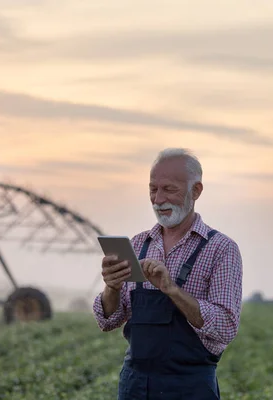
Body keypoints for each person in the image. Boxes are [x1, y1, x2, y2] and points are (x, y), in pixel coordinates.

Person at [92, 148, 243, 399]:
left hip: (190, 386)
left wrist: (171, 289)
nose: (158, 199)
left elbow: (226, 326)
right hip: (135, 385)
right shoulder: (138, 245)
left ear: (196, 191)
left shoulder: (221, 249)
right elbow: (108, 320)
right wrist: (112, 287)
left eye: (169, 189)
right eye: (153, 189)